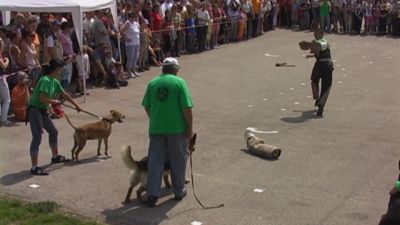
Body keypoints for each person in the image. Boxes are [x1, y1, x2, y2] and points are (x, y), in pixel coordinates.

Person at [141, 57, 193, 207]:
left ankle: (152, 194)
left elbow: (146, 106)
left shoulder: (153, 83)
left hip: (156, 128)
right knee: (178, 160)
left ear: (163, 68)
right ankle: (178, 191)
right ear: (175, 70)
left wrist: (155, 118)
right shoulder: (179, 82)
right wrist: (189, 127)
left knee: (155, 161)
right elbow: (187, 108)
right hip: (176, 129)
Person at [28, 58, 82, 175]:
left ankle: (55, 156)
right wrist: (54, 101)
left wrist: (76, 105)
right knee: (37, 138)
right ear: (57, 69)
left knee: (53, 132)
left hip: (42, 110)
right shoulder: (45, 80)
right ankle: (34, 167)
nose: (62, 71)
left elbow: (65, 94)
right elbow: (42, 99)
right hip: (35, 110)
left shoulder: (54, 81)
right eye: (61, 68)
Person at [300, 28, 333, 116]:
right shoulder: (316, 42)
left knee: (314, 80)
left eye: (316, 33)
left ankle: (317, 98)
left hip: (321, 65)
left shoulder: (323, 41)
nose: (315, 35)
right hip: (327, 65)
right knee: (326, 86)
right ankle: (321, 103)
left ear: (321, 34)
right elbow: (317, 49)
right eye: (314, 33)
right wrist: (311, 53)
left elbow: (321, 46)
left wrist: (311, 45)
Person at [0, 37, 12, 126]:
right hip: (1, 79)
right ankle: (3, 119)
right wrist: (7, 60)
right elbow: (4, 66)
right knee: (7, 99)